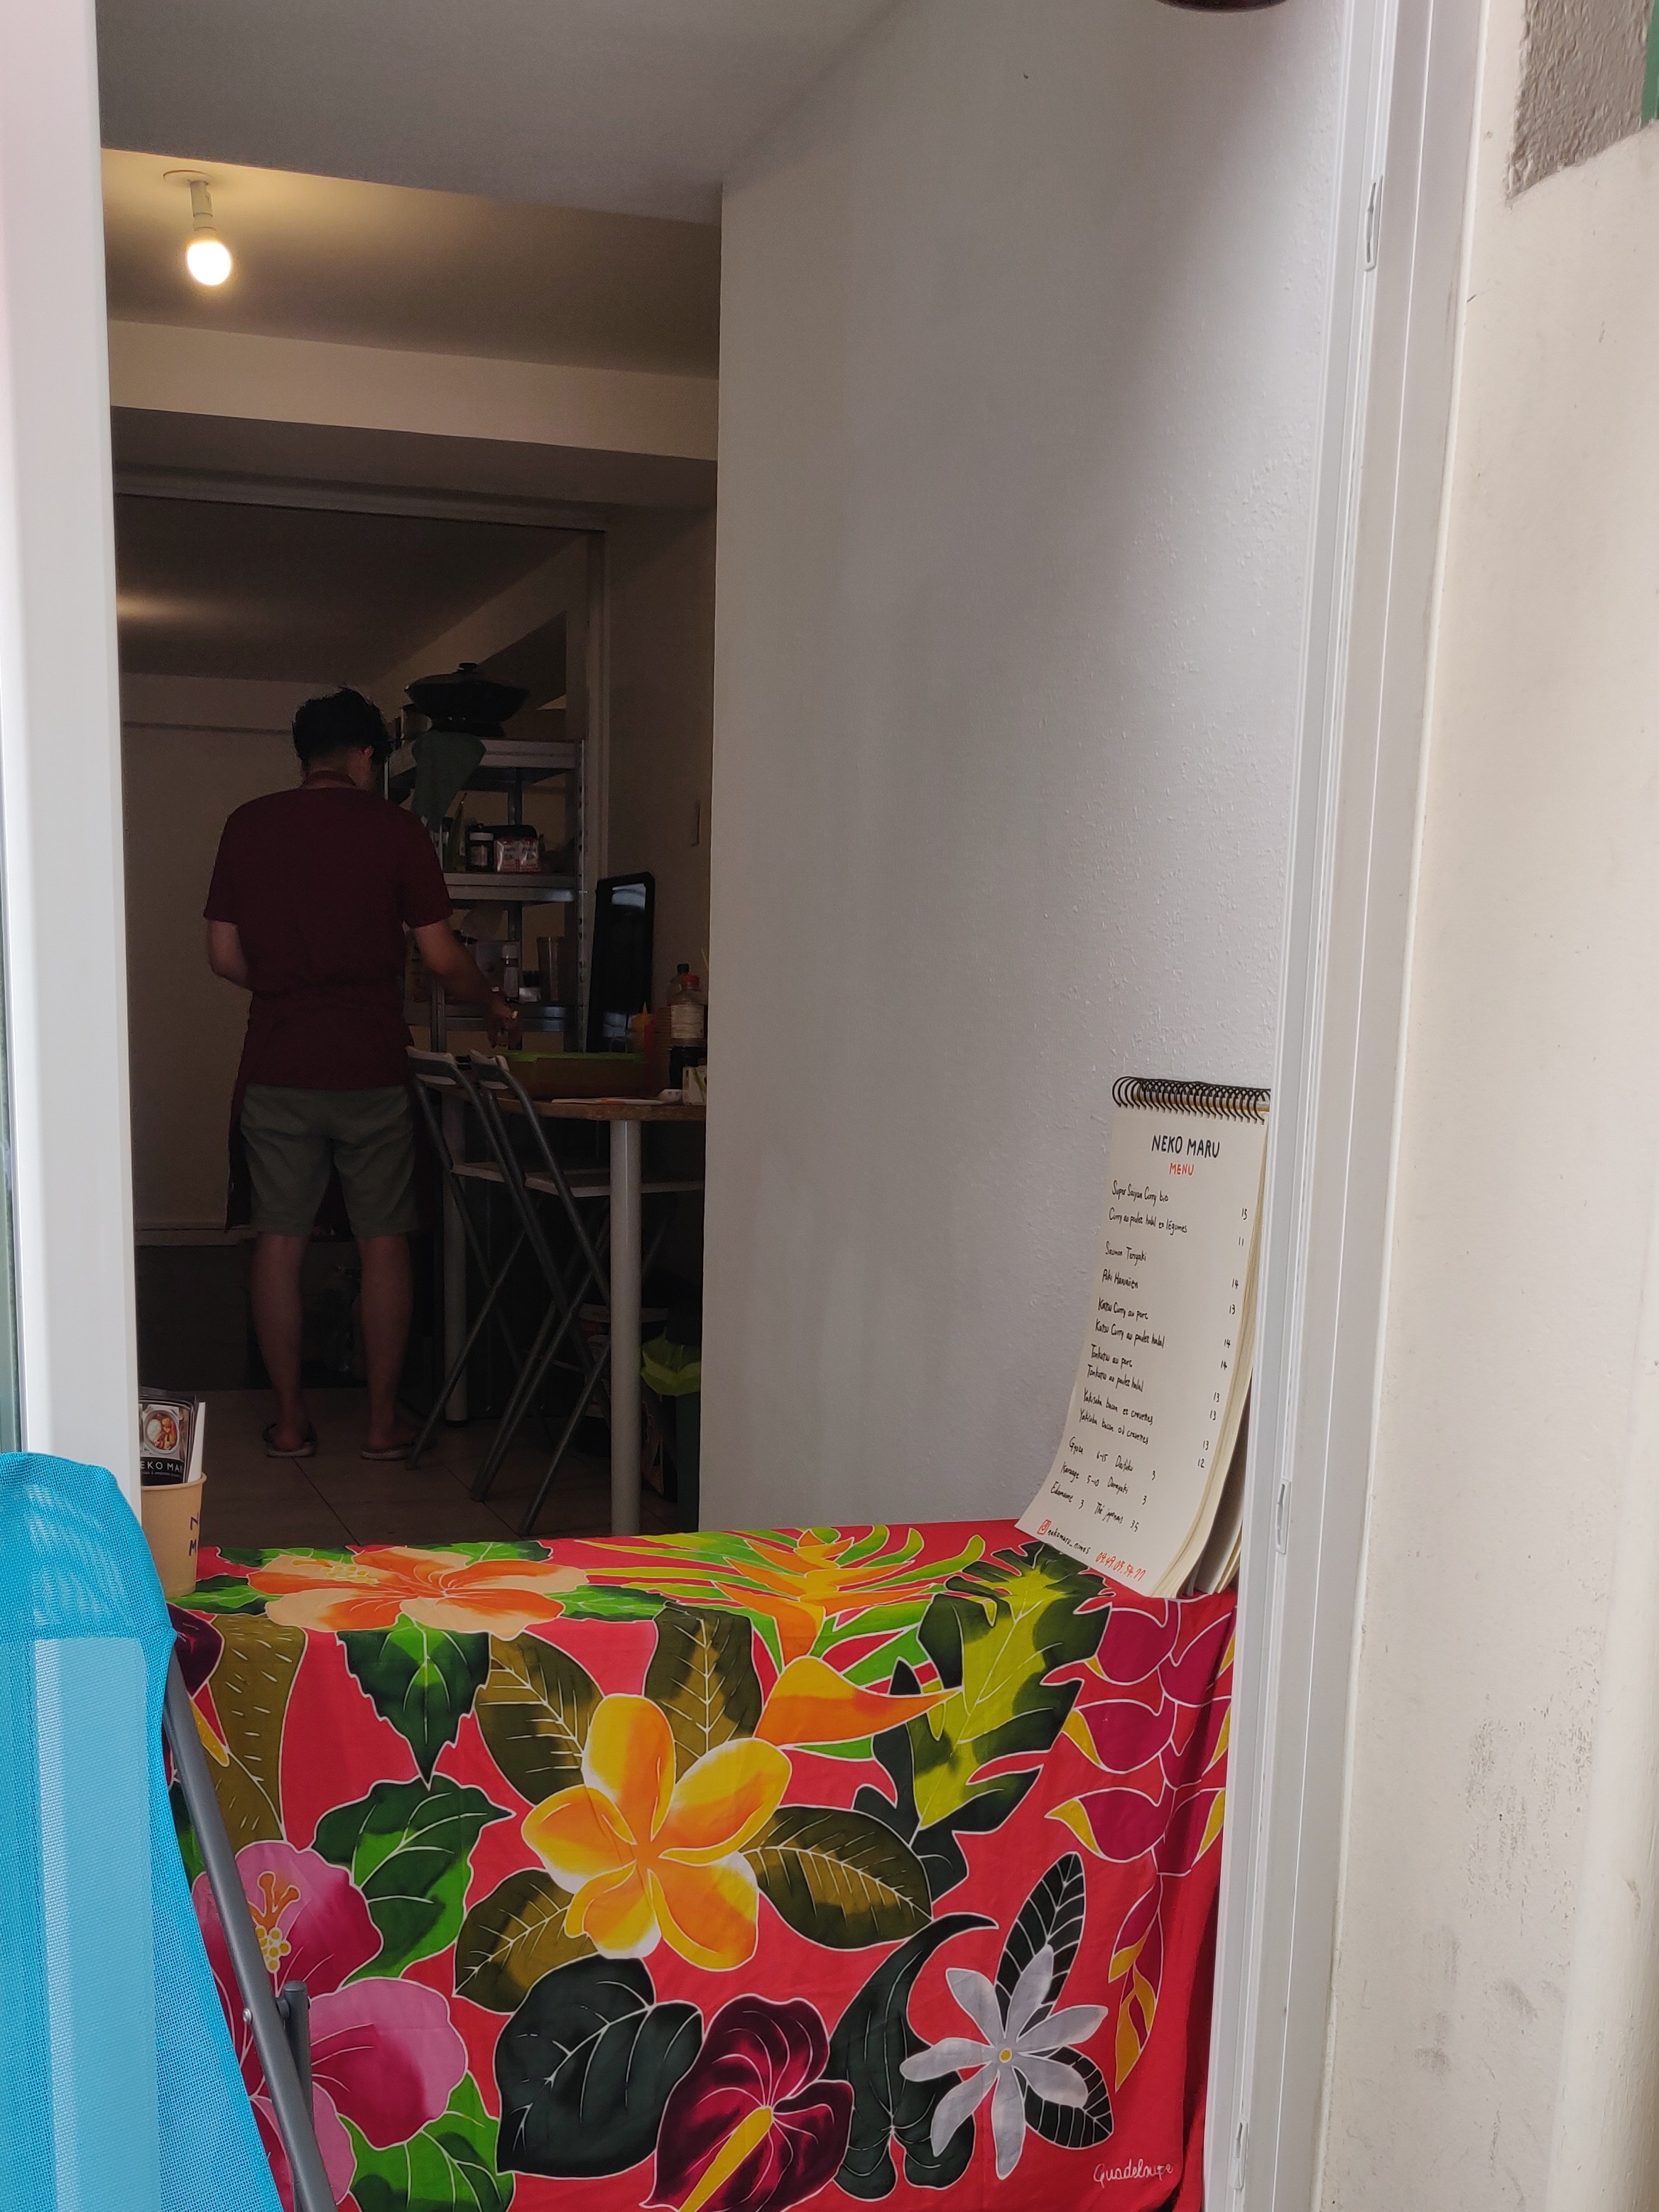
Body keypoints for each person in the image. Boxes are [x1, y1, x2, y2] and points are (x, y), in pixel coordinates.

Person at [205, 687, 515, 1459]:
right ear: (367, 756)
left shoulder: (248, 824)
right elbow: (441, 957)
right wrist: (492, 1003)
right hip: (370, 1064)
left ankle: (289, 1422)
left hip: (278, 1059)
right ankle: (381, 1424)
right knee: (383, 1243)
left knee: (279, 1242)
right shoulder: (395, 829)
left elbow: (223, 955)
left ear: (304, 756)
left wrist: (289, 988)